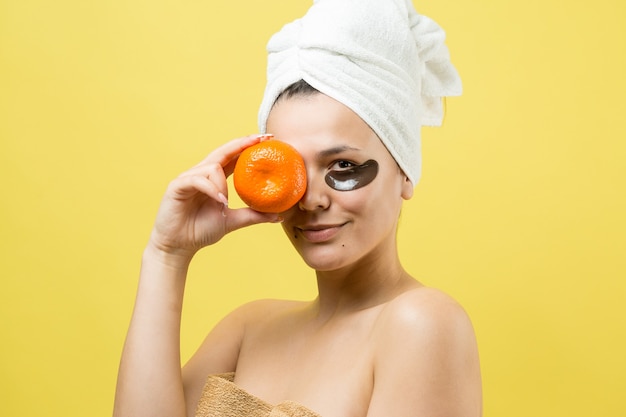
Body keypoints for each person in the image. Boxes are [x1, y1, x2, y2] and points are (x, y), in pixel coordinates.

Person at [113, 0, 482, 416]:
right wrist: (167, 255)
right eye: (293, 171)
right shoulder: (248, 329)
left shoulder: (422, 324)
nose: (310, 199)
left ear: (405, 169)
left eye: (342, 165)